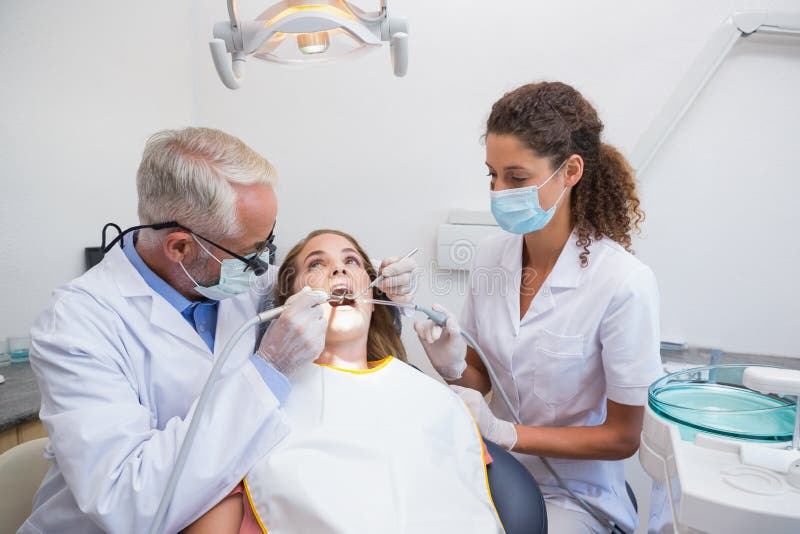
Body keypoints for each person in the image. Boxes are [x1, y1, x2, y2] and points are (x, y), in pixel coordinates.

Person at [20, 128, 416, 533]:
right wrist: (269, 369)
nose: (265, 265)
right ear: (181, 248)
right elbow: (128, 503)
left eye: (270, 242)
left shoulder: (236, 275)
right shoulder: (76, 325)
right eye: (251, 252)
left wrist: (384, 290)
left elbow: (307, 283)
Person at [414, 82, 663, 534]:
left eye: (517, 177)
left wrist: (509, 433)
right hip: (494, 474)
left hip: (576, 499)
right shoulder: (491, 257)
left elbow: (625, 436)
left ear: (570, 171)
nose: (499, 191)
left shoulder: (623, 283)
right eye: (492, 175)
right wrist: (452, 365)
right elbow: (483, 380)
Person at [185, 230, 503, 534]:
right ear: (289, 303)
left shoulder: (433, 399)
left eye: (351, 261)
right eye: (316, 264)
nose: (338, 268)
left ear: (375, 293)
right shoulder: (256, 406)